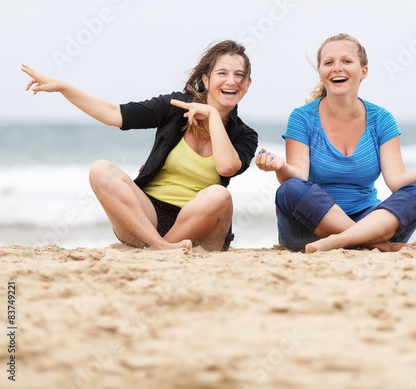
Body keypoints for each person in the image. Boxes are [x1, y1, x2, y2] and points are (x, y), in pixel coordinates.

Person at [22, 40, 258, 252]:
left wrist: (213, 116)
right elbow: (113, 114)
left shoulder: (245, 135)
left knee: (219, 194)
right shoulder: (175, 106)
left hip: (200, 225)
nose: (231, 81)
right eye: (222, 73)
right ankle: (161, 247)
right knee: (101, 169)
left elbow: (227, 167)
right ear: (206, 80)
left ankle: (158, 249)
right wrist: (65, 88)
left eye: (239, 75)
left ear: (247, 84)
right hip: (147, 219)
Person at [256, 33, 416, 253]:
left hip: (373, 220)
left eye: (346, 61)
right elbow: (299, 181)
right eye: (328, 62)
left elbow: (398, 181)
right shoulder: (302, 118)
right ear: (321, 73)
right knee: (289, 189)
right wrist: (280, 167)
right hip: (310, 230)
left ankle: (340, 241)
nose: (337, 67)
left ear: (364, 71)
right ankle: (374, 244)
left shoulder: (381, 119)